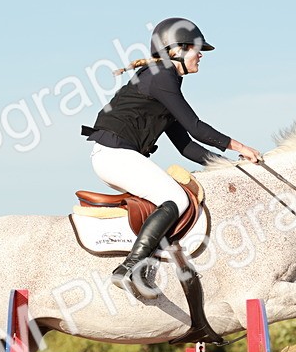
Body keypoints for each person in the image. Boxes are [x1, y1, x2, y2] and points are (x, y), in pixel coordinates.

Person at [82, 17, 263, 299]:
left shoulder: (164, 82)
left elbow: (186, 146)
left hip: (117, 156)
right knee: (177, 199)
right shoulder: (161, 76)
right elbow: (196, 127)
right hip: (115, 154)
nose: (201, 55)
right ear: (177, 50)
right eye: (197, 49)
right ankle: (130, 268)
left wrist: (230, 167)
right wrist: (240, 146)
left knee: (171, 197)